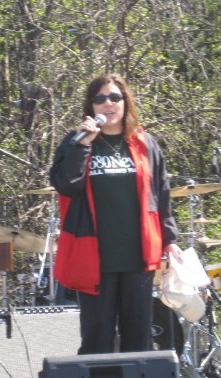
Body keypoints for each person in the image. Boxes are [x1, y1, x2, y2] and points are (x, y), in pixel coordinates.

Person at [49, 73, 182, 354]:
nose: (107, 104)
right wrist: (82, 144)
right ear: (91, 107)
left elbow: (161, 192)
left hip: (138, 255)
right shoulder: (75, 142)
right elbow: (65, 184)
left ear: (125, 102)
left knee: (139, 337)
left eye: (114, 97)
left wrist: (169, 239)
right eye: (99, 99)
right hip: (94, 255)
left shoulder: (145, 143)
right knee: (97, 337)